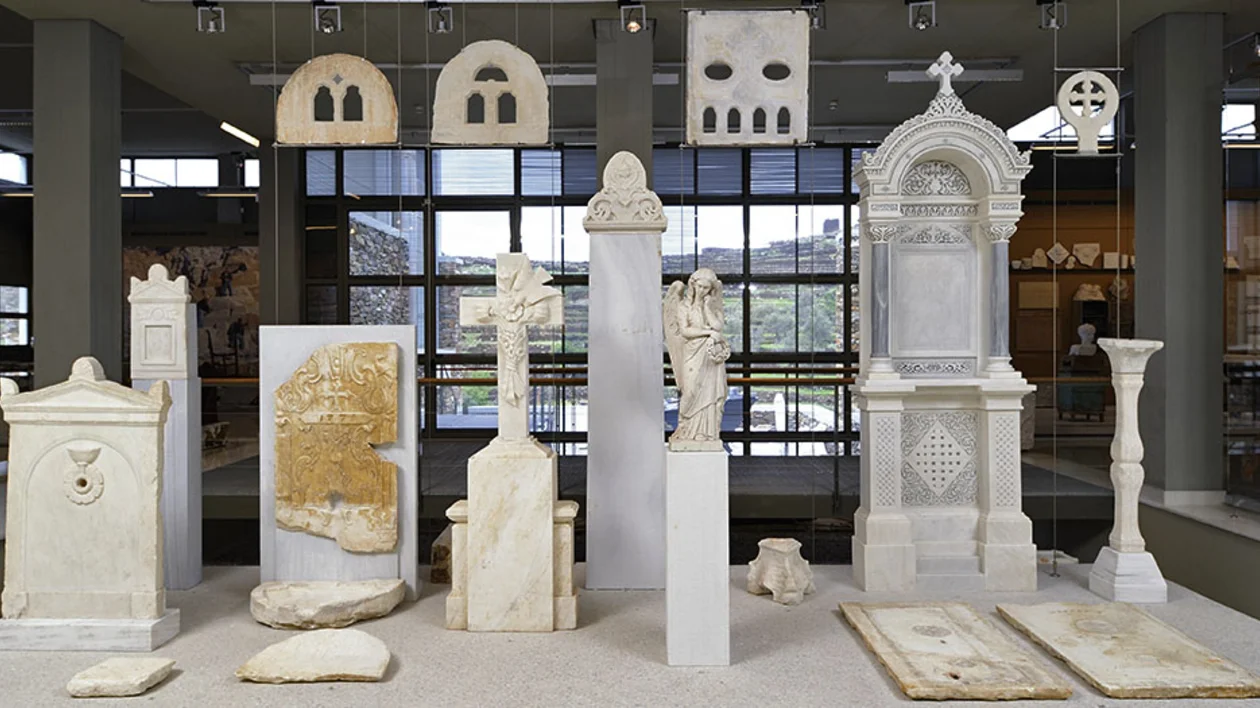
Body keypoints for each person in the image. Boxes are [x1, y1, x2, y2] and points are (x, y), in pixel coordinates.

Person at [665, 268, 730, 446]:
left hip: (711, 358)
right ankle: (686, 428)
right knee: (691, 390)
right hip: (692, 354)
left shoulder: (712, 305)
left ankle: (706, 433)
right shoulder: (683, 306)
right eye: (700, 287)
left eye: (707, 288)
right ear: (693, 285)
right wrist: (708, 332)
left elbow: (718, 325)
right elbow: (685, 331)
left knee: (712, 393)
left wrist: (708, 307)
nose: (703, 291)